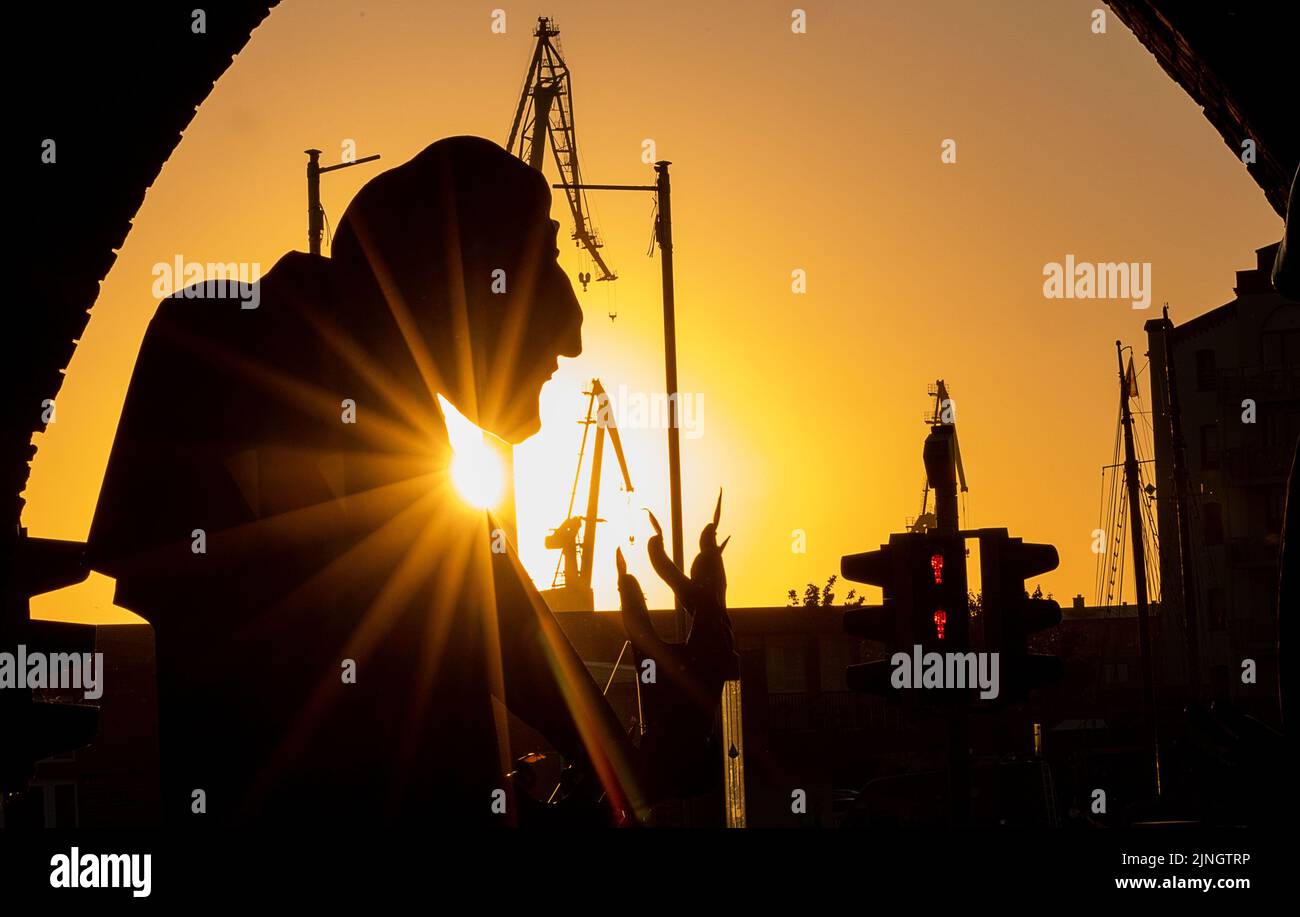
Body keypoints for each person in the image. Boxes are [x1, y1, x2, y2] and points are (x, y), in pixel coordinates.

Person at [89, 137, 650, 824]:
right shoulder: (222, 342)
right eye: (545, 256)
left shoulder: (394, 423)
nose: (573, 333)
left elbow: (485, 615)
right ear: (459, 272)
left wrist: (606, 766)